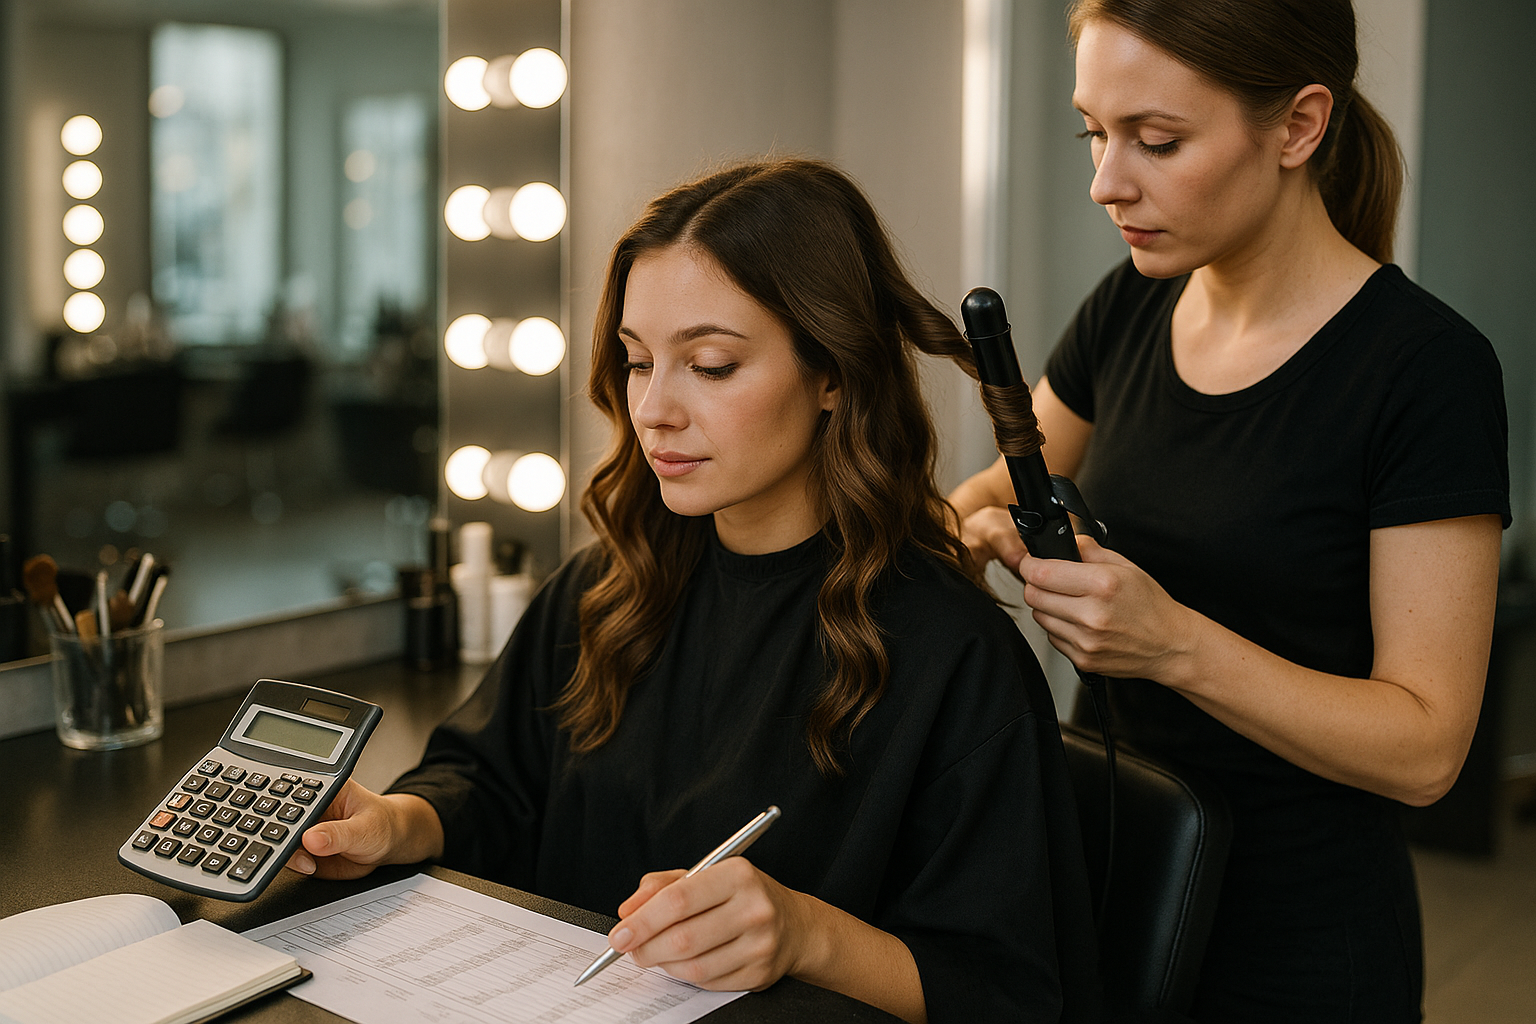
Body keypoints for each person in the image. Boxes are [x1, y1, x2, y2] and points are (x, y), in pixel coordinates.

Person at [286, 158, 1103, 1023]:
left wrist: (806, 935)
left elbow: (1011, 993)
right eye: (638, 362)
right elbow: (491, 782)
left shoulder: (953, 656)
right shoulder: (609, 587)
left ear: (834, 374)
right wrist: (398, 821)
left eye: (710, 365)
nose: (655, 410)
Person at [949, 1, 1509, 1021]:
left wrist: (1170, 644)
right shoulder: (1129, 306)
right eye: (1096, 132)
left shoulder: (1426, 372)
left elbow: (1427, 748)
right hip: (1107, 883)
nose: (1107, 182)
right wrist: (980, 531)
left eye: (1157, 141)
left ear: (1298, 126)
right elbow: (994, 486)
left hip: (1295, 947)